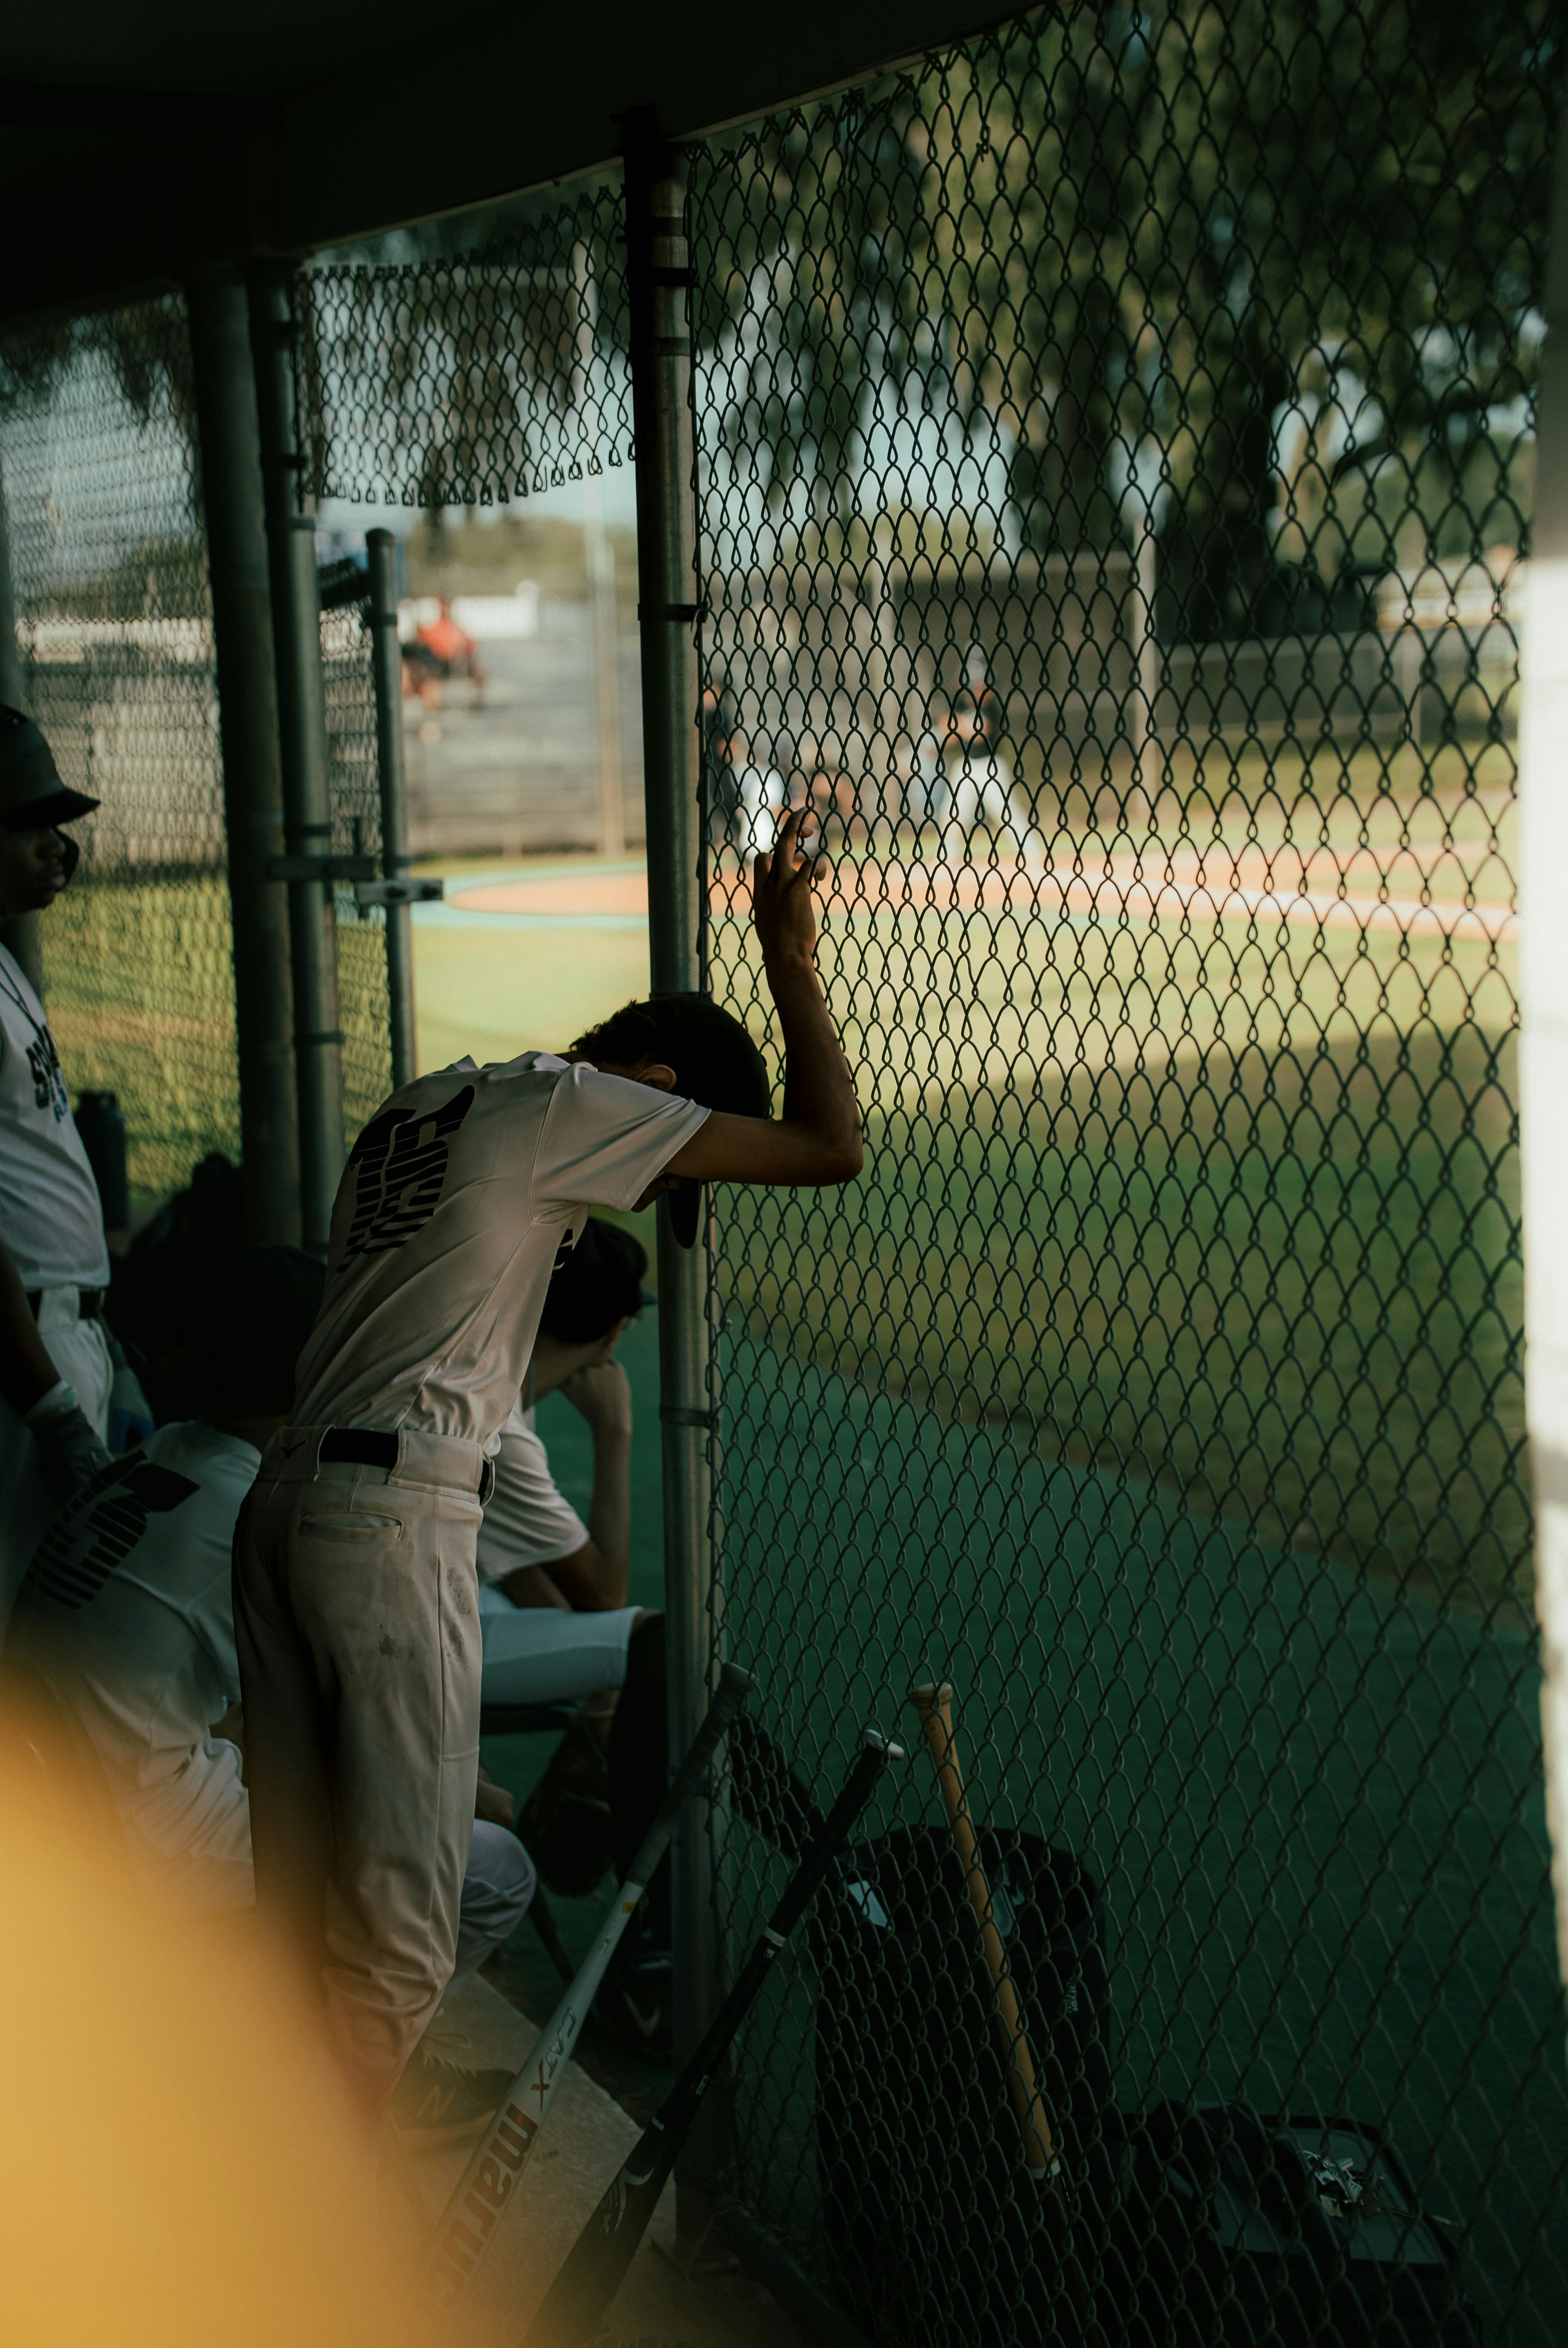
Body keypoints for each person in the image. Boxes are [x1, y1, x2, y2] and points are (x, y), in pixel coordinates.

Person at [232, 812, 862, 2155]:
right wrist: (788, 955)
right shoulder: (575, 1107)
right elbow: (827, 1146)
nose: (669, 1169)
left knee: (291, 1914)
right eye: (677, 1133)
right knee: (398, 1948)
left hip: (280, 1504)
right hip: (386, 1519)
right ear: (644, 1082)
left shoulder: (428, 1098)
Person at [7, 1247, 536, 2147]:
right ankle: (326, 2101)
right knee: (490, 1868)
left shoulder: (168, 1452)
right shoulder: (266, 1498)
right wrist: (457, 1791)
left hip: (51, 1812)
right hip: (125, 1840)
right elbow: (367, 1740)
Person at [474, 1217, 676, 2048]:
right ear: (614, 1331)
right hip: (428, 1638)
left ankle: (642, 1945)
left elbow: (531, 1586)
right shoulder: (503, 1429)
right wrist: (615, 1434)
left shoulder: (481, 1383)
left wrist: (599, 1702)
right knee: (658, 1647)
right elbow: (604, 1606)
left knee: (623, 1661)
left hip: (434, 1618)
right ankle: (651, 1952)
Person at [0, 707, 115, 1634]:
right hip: (21, 1357)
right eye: (29, 823)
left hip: (56, 1337)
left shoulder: (5, 962)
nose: (56, 845)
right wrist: (47, 1406)